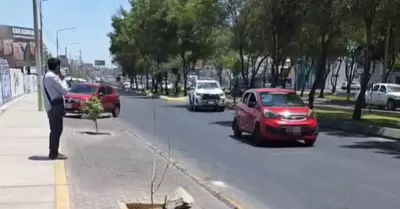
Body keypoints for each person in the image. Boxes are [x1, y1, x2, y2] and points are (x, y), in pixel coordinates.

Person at [43, 58, 69, 160]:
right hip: (55, 106)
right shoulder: (53, 77)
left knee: (54, 130)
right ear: (57, 66)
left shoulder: (47, 75)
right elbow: (65, 90)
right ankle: (54, 153)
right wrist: (63, 79)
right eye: (59, 66)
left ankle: (53, 151)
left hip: (51, 106)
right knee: (57, 130)